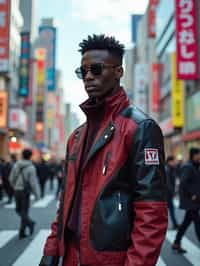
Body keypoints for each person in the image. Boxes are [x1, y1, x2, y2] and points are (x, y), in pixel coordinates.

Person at [39, 34, 168, 266]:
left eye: (96, 69)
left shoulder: (140, 128)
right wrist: (51, 250)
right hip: (70, 257)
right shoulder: (76, 136)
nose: (88, 76)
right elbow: (65, 201)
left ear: (119, 72)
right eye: (83, 71)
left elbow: (152, 211)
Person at [172, 147, 200, 253]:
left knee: (186, 223)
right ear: (194, 155)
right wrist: (191, 194)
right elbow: (183, 183)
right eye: (199, 154)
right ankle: (176, 242)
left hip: (195, 201)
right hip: (191, 202)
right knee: (198, 224)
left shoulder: (195, 166)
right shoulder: (188, 167)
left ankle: (176, 242)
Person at [9, 149, 40, 239]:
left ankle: (22, 231)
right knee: (24, 211)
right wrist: (37, 195)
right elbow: (33, 183)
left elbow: (11, 178)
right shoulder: (31, 168)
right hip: (25, 192)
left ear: (22, 155)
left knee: (18, 210)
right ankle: (30, 223)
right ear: (30, 156)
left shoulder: (16, 165)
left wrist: (14, 186)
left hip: (17, 191)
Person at [165, 155, 179, 230]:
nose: (174, 162)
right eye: (173, 161)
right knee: (170, 210)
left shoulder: (171, 168)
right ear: (169, 161)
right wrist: (172, 192)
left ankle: (175, 224)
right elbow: (168, 183)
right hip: (168, 194)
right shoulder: (167, 169)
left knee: (171, 209)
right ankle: (174, 224)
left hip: (168, 193)